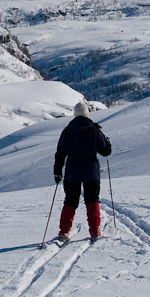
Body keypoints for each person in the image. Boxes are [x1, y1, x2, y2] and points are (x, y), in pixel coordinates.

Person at [53, 99, 112, 241]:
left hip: (72, 173)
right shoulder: (94, 130)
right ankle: (95, 230)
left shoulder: (67, 131)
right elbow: (105, 152)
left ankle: (64, 231)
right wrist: (108, 142)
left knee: (70, 202)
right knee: (92, 200)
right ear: (87, 114)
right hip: (91, 172)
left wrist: (57, 171)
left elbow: (60, 153)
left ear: (75, 114)